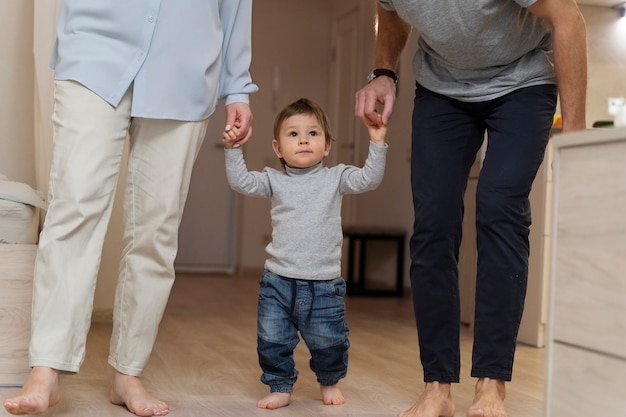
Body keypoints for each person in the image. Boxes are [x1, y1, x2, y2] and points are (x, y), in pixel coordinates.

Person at [4, 1, 257, 416]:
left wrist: (239, 86)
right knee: (75, 207)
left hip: (185, 69)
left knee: (156, 229)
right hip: (94, 52)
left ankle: (128, 373)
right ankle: (46, 367)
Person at [355, 1, 587, 417]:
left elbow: (568, 19)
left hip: (523, 80)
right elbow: (389, 11)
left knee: (499, 208)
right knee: (433, 222)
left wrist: (574, 138)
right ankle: (437, 388)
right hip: (442, 88)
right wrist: (384, 72)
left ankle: (491, 385)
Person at [222, 98, 388, 410]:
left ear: (327, 146)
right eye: (293, 134)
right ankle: (280, 385)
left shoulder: (335, 177)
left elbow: (369, 179)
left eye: (312, 134)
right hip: (278, 282)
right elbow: (241, 181)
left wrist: (377, 142)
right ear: (277, 147)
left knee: (329, 341)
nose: (303, 140)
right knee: (273, 340)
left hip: (324, 284)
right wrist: (233, 150)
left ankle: (329, 381)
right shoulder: (274, 180)